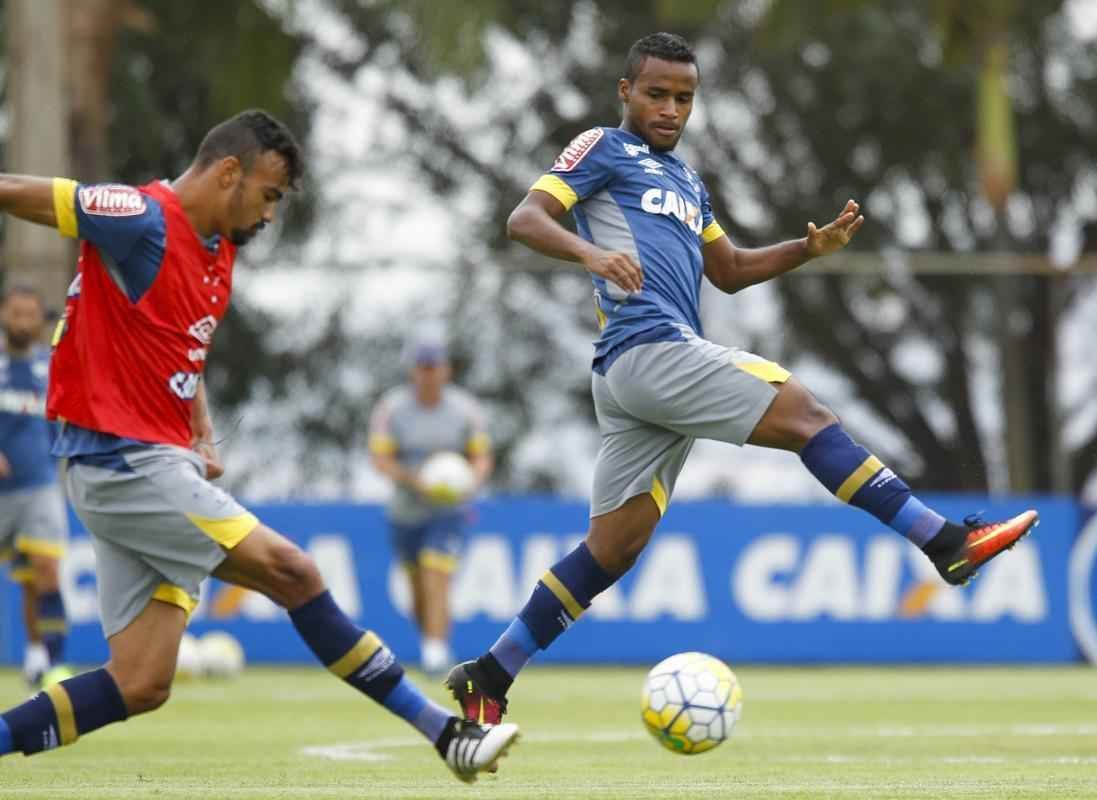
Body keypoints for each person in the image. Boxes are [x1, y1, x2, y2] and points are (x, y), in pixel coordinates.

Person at [446, 32, 1038, 725]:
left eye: (684, 98)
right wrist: (590, 255)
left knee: (612, 550)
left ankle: (489, 673)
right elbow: (525, 219)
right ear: (625, 93)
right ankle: (945, 542)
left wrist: (805, 249)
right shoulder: (602, 148)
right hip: (649, 349)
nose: (670, 109)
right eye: (656, 94)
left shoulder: (687, 181)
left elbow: (725, 270)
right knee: (807, 417)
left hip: (641, 374)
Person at [0, 109, 517, 781]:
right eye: (269, 194)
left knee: (141, 681)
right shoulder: (138, 216)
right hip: (121, 459)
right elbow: (12, 187)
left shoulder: (218, 254)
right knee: (294, 572)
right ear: (227, 172)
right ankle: (446, 734)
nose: (271, 213)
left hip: (151, 460)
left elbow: (180, 351)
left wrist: (201, 431)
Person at [369, 337, 493, 675]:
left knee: (436, 571)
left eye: (434, 367)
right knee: (418, 592)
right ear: (413, 371)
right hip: (406, 510)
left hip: (449, 511)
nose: (428, 375)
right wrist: (416, 481)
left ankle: (436, 653)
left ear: (446, 370)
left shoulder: (464, 409)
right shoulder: (391, 408)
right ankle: (431, 639)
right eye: (422, 368)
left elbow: (481, 457)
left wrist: (470, 482)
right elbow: (380, 459)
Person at [0, 285, 70, 686]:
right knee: (28, 579)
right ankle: (34, 651)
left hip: (40, 484)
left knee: (44, 571)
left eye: (29, 314)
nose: (22, 321)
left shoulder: (52, 366)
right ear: (5, 315)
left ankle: (49, 660)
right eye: (15, 313)